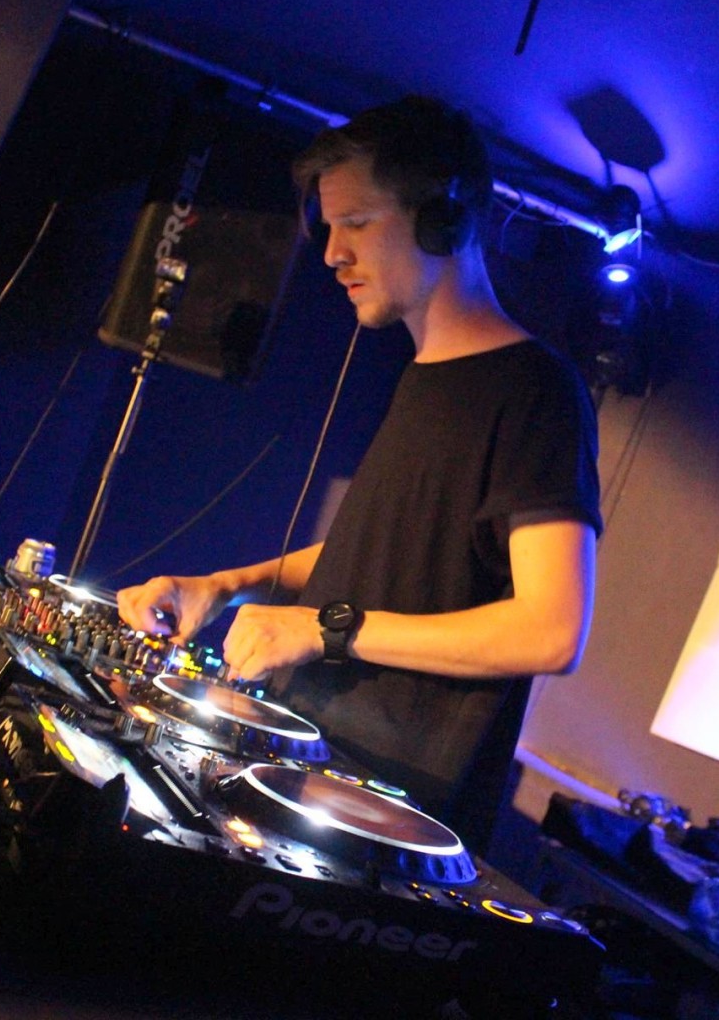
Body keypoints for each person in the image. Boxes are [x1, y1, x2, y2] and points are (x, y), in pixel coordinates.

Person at [116, 95, 601, 850]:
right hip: (319, 771)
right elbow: (385, 559)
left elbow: (551, 629)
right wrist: (225, 584)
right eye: (330, 227)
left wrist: (324, 629)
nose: (332, 253)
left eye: (358, 223)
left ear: (444, 218)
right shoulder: (422, 377)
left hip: (392, 817)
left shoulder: (535, 389)